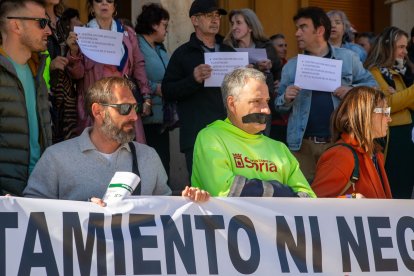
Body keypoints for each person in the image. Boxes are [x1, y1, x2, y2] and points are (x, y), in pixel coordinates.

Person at [23, 77, 209, 203]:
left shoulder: (148, 156)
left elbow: (164, 211)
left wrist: (188, 202)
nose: (134, 117)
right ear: (98, 111)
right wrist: (83, 212)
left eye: (135, 108)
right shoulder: (57, 158)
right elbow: (30, 213)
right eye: (125, 108)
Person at [275, 6, 377, 182]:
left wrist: (351, 91)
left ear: (320, 30)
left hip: (338, 143)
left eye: (303, 27)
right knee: (304, 199)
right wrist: (285, 97)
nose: (297, 33)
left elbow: (373, 87)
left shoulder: (348, 58)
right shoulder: (291, 66)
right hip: (302, 145)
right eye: (297, 28)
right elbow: (278, 105)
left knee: (337, 199)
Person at [191, 68, 316, 198]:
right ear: (232, 104)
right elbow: (226, 191)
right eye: (256, 101)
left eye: (267, 101)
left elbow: (308, 199)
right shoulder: (211, 137)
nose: (266, 110)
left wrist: (256, 189)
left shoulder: (279, 148)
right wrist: (284, 193)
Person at [162, 0, 234, 177]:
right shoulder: (183, 54)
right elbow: (167, 91)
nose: (215, 20)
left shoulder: (229, 52)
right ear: (195, 20)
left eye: (217, 15)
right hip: (197, 136)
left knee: (232, 191)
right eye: (209, 16)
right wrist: (193, 79)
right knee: (201, 190)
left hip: (230, 134)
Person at [66, 0, 150, 143]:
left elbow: (138, 65)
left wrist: (146, 96)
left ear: (114, 7)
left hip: (123, 101)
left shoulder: (128, 33)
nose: (104, 4)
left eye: (109, 1)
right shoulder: (82, 34)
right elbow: (77, 74)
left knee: (126, 151)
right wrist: (73, 52)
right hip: (96, 104)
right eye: (99, 0)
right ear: (92, 7)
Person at [0, 0, 53, 196]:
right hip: (7, 198)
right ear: (16, 25)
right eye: (41, 23)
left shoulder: (36, 69)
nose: (48, 30)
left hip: (38, 189)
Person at [312, 87, 393, 199]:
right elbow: (316, 206)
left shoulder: (376, 154)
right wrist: (351, 198)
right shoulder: (341, 156)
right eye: (384, 112)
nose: (389, 119)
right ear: (364, 113)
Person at [364, 26, 414, 199]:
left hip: (406, 139)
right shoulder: (374, 72)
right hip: (390, 142)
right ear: (387, 47)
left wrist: (400, 98)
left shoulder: (400, 73)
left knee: (405, 191)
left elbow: (403, 102)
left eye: (405, 47)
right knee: (393, 191)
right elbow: (387, 104)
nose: (405, 52)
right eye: (401, 47)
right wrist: (403, 98)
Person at [135, 3, 173, 185]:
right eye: (164, 25)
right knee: (147, 164)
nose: (166, 30)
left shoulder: (159, 48)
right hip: (144, 116)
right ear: (154, 24)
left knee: (163, 163)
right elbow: (132, 75)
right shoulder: (136, 44)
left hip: (162, 117)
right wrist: (153, 88)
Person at [44, 0, 78, 143]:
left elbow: (74, 61)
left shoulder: (63, 21)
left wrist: (73, 50)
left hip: (67, 94)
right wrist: (50, 66)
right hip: (46, 93)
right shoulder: (34, 18)